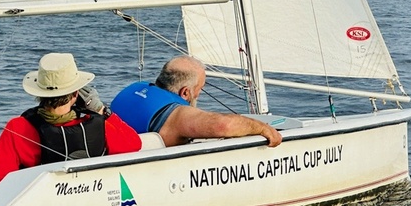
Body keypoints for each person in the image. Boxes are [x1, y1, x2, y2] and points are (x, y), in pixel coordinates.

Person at [0, 53, 142, 194]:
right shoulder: (100, 124)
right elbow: (134, 144)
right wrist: (102, 110)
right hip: (91, 196)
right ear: (76, 94)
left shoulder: (19, 128)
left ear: (39, 94)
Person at [110, 55, 282, 148]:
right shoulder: (177, 115)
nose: (199, 93)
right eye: (200, 88)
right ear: (185, 92)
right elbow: (223, 125)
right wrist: (262, 128)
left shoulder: (134, 88)